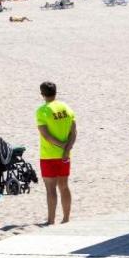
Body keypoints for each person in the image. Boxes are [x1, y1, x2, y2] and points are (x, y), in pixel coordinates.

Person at [36, 81, 77, 225]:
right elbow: (74, 132)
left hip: (48, 155)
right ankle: (66, 218)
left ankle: (51, 220)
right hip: (65, 156)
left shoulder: (43, 110)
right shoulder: (66, 107)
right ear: (55, 92)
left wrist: (62, 146)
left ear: (42, 94)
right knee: (64, 186)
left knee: (50, 189)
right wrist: (67, 148)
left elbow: (46, 135)